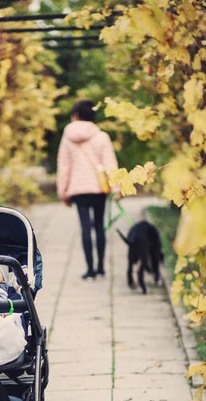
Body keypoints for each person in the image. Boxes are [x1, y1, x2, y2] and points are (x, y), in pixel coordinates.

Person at [57, 99, 121, 279]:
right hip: (99, 188)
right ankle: (101, 267)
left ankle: (90, 269)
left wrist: (63, 192)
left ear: (76, 116)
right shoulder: (101, 136)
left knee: (85, 227)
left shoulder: (67, 137)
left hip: (78, 190)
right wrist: (116, 188)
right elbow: (110, 164)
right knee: (99, 226)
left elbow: (64, 166)